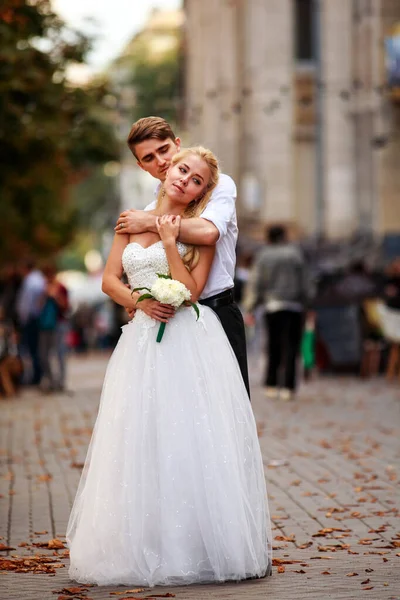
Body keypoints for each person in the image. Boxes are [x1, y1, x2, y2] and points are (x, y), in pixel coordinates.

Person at [66, 147, 271, 587]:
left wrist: (166, 241)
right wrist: (141, 301)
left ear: (200, 192)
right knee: (139, 435)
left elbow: (192, 291)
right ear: (166, 171)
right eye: (182, 170)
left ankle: (194, 545)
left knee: (188, 435)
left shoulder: (196, 232)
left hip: (186, 341)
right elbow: (109, 280)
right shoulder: (129, 219)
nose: (185, 181)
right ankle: (142, 543)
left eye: (196, 180)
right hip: (140, 340)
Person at [114, 116, 250, 396]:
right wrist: (140, 298)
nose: (160, 161)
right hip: (170, 321)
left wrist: (151, 223)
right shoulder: (148, 207)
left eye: (164, 150)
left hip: (216, 309)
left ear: (177, 144)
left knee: (228, 412)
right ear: (141, 166)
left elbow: (208, 233)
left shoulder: (216, 184)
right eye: (149, 158)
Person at [245, 225, 310, 401]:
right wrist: (308, 302)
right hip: (294, 305)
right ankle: (288, 386)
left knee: (273, 344)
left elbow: (256, 282)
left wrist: (250, 306)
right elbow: (305, 281)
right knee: (291, 346)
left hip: (272, 305)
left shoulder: (263, 256)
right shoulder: (295, 254)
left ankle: (271, 383)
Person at [38, 265, 70, 392]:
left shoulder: (61, 288)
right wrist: (45, 295)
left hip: (59, 323)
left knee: (60, 353)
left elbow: (66, 306)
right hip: (45, 325)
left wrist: (55, 295)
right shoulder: (43, 289)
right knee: (43, 354)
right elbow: (38, 307)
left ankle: (60, 382)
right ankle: (50, 380)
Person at [16, 259, 46, 385]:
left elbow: (27, 304)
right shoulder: (39, 278)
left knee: (32, 349)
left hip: (32, 319)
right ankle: (37, 375)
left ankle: (36, 376)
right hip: (36, 318)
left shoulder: (30, 281)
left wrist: (23, 318)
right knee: (36, 349)